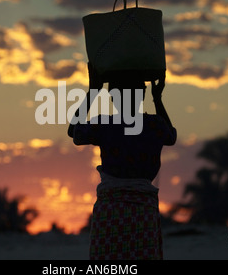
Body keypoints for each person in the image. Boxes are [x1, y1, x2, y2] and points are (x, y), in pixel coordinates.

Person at [68, 63, 177, 260]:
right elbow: (171, 137)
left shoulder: (105, 124)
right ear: (143, 95)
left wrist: (93, 91)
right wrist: (158, 99)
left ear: (112, 97)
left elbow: (73, 132)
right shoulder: (154, 125)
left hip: (111, 210)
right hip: (144, 210)